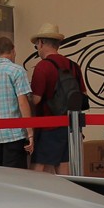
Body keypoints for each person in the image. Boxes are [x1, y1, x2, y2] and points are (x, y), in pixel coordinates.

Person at [28, 23, 84, 175]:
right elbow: (82, 95)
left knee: (38, 167)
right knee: (63, 166)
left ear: (41, 43)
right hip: (69, 125)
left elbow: (36, 99)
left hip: (48, 126)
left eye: (37, 45)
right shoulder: (74, 66)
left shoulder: (42, 67)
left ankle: (36, 197)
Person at [0, 36, 34, 167]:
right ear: (13, 51)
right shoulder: (17, 71)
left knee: (0, 178)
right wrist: (30, 133)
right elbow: (22, 103)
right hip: (15, 135)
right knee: (16, 178)